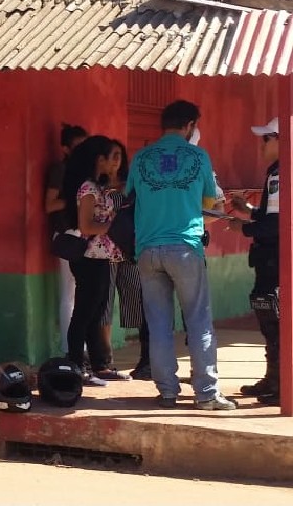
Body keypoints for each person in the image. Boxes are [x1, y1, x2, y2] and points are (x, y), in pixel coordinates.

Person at [126, 100, 236, 410]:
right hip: (186, 248)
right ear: (189, 126)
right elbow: (212, 204)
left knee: (158, 324)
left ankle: (167, 392)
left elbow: (127, 197)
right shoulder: (198, 156)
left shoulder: (141, 157)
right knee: (198, 320)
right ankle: (207, 393)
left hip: (147, 250)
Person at [61, 135, 128, 384]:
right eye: (113, 157)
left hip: (102, 257)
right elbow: (86, 225)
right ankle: (76, 365)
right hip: (90, 257)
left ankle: (99, 365)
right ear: (100, 159)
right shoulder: (88, 188)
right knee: (84, 314)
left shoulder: (100, 186)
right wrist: (114, 224)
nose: (116, 163)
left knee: (96, 312)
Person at [230, 117, 281, 407]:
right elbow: (273, 217)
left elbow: (275, 226)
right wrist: (249, 211)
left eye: (267, 138)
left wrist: (243, 228)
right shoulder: (277, 173)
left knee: (272, 317)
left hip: (274, 260)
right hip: (274, 259)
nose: (261, 144)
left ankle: (280, 383)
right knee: (271, 318)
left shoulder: (279, 175)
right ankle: (274, 378)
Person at [106, 139, 150, 380]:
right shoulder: (95, 187)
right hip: (104, 254)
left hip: (129, 251)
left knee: (138, 302)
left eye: (119, 156)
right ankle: (104, 360)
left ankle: (147, 357)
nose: (115, 161)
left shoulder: (130, 187)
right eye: (111, 156)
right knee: (103, 307)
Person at [46, 124, 89, 354]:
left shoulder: (87, 172)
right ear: (65, 148)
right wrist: (76, 201)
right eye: (78, 146)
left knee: (83, 294)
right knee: (69, 295)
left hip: (83, 234)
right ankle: (71, 348)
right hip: (67, 235)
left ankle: (79, 347)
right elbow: (49, 204)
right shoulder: (60, 170)